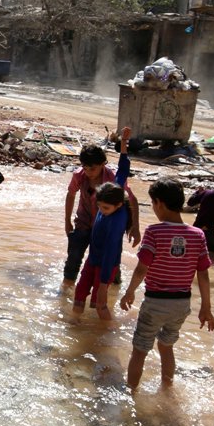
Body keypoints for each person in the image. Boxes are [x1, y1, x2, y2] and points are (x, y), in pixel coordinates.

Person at [120, 178, 214, 392]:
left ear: (159, 203)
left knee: (140, 351)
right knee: (166, 347)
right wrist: (206, 307)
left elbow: (142, 269)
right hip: (182, 304)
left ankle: (131, 394)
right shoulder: (197, 235)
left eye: (153, 204)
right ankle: (167, 389)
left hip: (155, 302)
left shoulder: (154, 231)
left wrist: (129, 292)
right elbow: (203, 275)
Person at [73, 127, 133, 320]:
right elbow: (123, 169)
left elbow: (109, 254)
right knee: (79, 295)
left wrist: (104, 285)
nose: (101, 211)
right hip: (93, 259)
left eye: (105, 209)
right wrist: (124, 144)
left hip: (105, 266)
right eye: (99, 207)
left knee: (100, 305)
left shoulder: (116, 222)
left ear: (118, 205)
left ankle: (108, 336)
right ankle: (72, 325)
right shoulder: (113, 192)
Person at [63, 142, 140, 289]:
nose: (89, 172)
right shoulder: (79, 175)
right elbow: (71, 194)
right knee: (73, 257)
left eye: (93, 168)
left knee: (110, 260)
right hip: (84, 221)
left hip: (107, 225)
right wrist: (67, 221)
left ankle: (114, 289)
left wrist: (135, 227)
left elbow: (132, 200)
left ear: (103, 164)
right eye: (85, 168)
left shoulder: (112, 177)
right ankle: (66, 288)